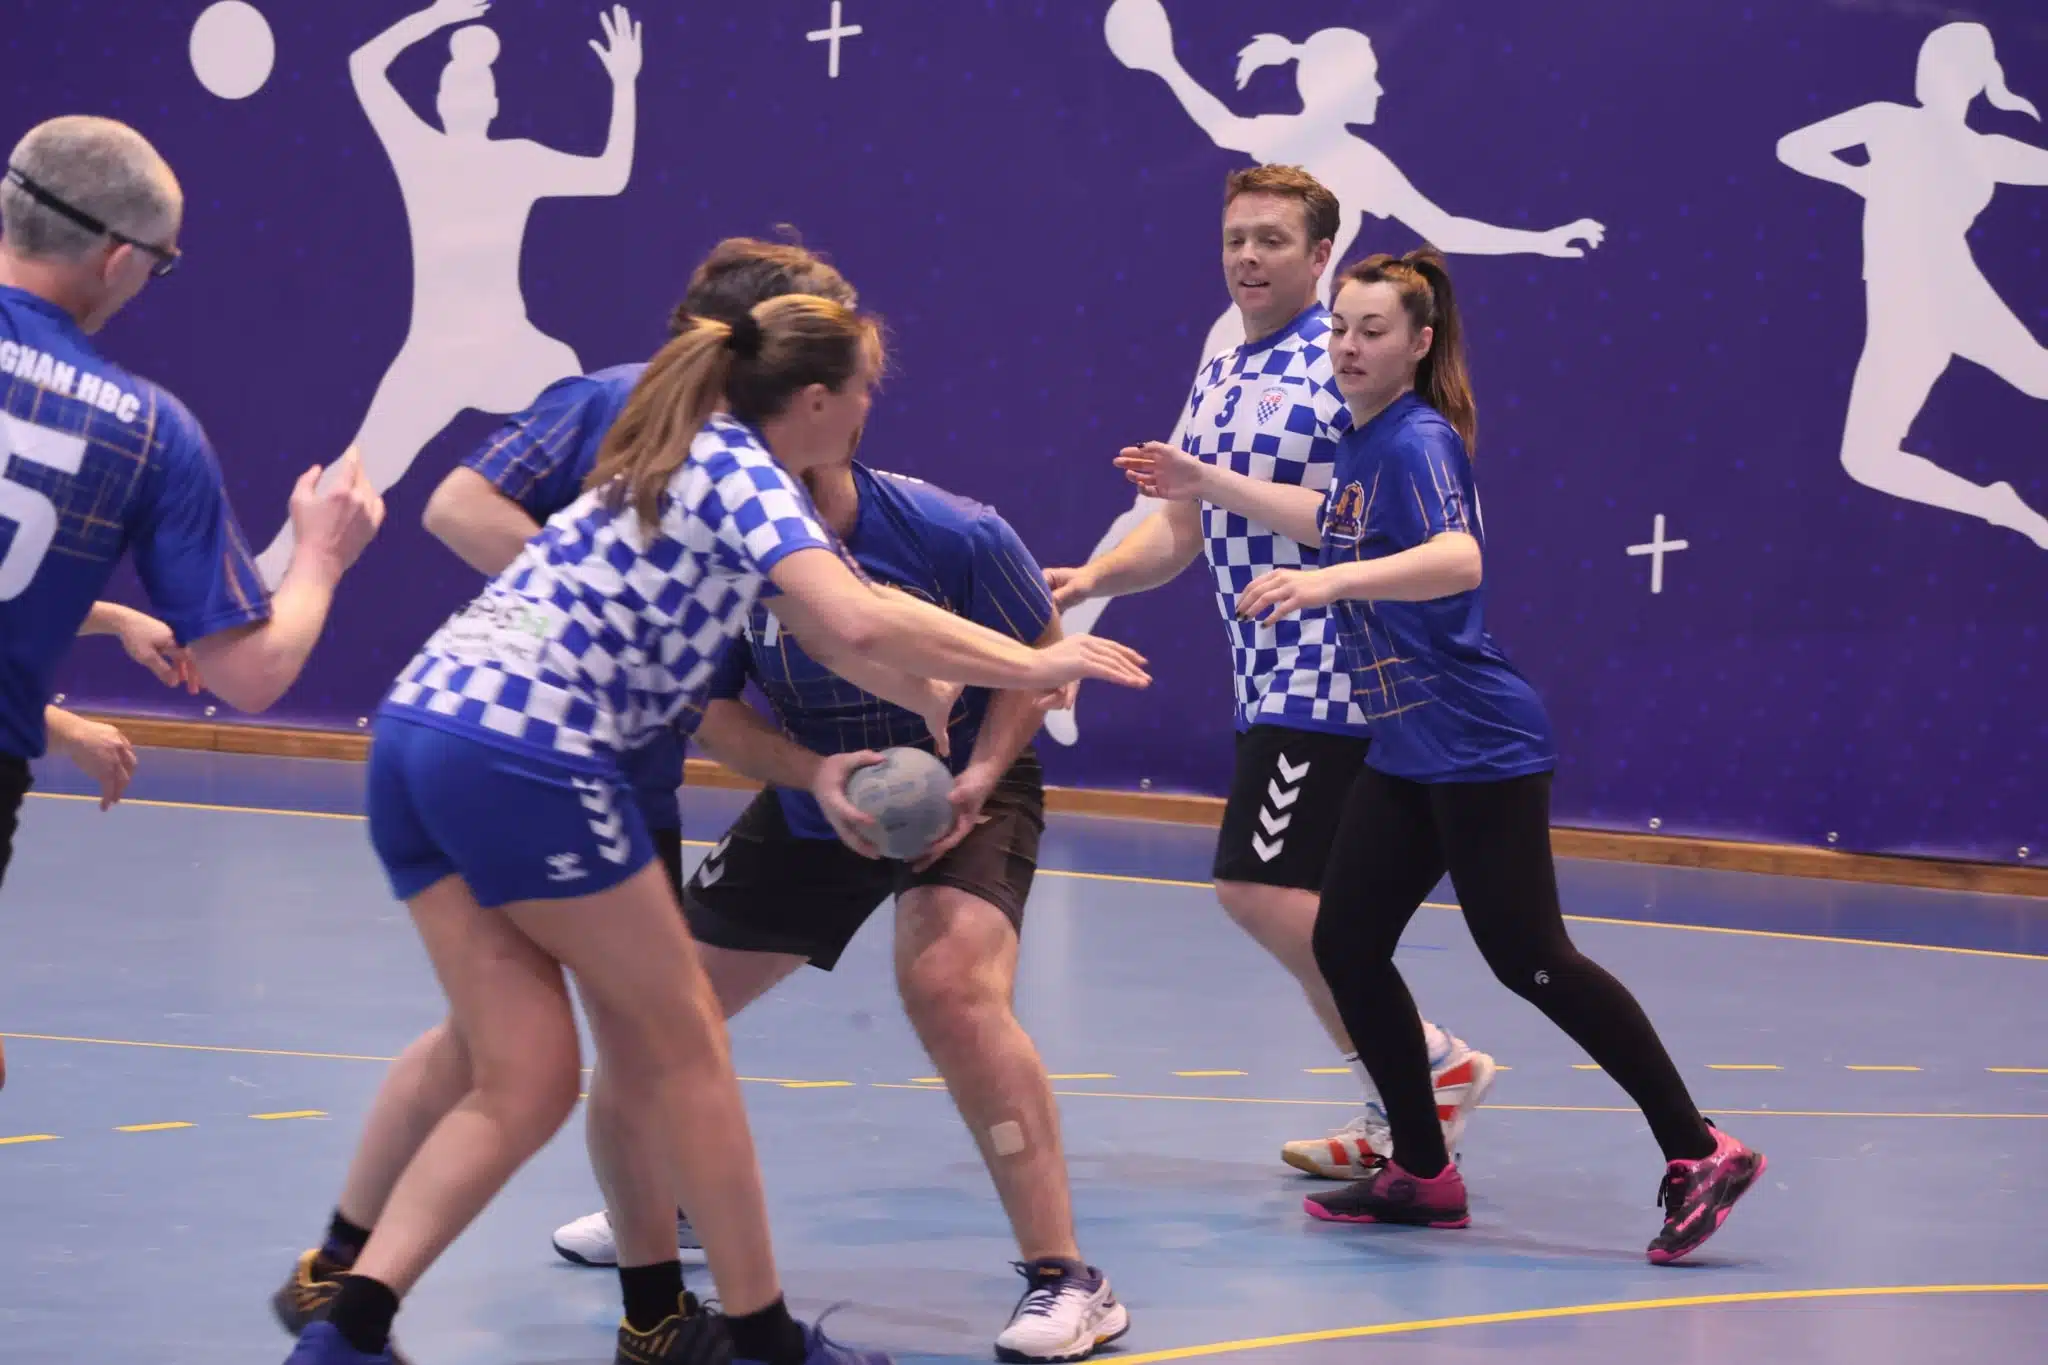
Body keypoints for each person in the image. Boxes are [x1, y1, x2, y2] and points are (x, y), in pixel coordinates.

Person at [276, 295, 1150, 1365]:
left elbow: (846, 637)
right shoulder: (748, 477)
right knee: (674, 1042)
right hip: (540, 751)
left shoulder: (662, 447)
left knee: (528, 1070)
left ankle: (352, 1318)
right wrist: (1037, 660)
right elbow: (858, 616)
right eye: (863, 387)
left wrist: (942, 714)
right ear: (815, 398)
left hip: (423, 730)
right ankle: (754, 1339)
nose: (872, 406)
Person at [1123, 246, 1765, 1262]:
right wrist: (1206, 483)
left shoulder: (1417, 439)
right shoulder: (1361, 437)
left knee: (1533, 962)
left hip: (1477, 742)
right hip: (1408, 745)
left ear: (1419, 343)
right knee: (1346, 944)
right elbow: (1327, 519)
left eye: (1371, 331)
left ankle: (1699, 1148)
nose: (1347, 346)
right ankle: (1421, 1172)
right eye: (1340, 329)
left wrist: (1327, 584)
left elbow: (1457, 557)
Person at [549, 454, 1129, 1363]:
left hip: (967, 787)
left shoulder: (955, 532)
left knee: (950, 988)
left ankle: (1068, 1277)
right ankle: (673, 1208)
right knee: (660, 1006)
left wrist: (977, 776)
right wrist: (813, 776)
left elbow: (1036, 659)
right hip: (820, 786)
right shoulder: (725, 548)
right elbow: (711, 710)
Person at [1045, 165, 1493, 1181]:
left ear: (1319, 256)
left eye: (1272, 240)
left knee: (1259, 888)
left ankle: (1429, 1067)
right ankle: (1401, 1103)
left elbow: (1365, 519)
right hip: (1265, 669)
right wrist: (1090, 582)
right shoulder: (1220, 370)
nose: (1247, 256)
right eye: (1234, 238)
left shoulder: (1341, 367)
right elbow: (1180, 527)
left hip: (1338, 665)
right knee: (1314, 912)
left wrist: (1216, 483)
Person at [0, 116, 382, 1087]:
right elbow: (251, 674)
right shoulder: (145, 432)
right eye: (161, 263)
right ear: (117, 259)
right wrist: (322, 555)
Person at [253, 0, 645, 585]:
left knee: (580, 401)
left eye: (475, 89)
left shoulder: (515, 160)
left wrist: (623, 83)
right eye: (452, 88)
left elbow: (609, 174)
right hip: (434, 357)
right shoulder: (420, 150)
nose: (463, 97)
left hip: (513, 349)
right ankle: (259, 579)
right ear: (438, 101)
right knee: (362, 465)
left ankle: (612, 564)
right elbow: (365, 65)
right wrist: (437, 14)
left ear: (492, 104)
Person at [1775, 19, 2048, 549]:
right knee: (1865, 459)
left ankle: (1999, 506)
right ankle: (1998, 506)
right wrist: (1858, 178)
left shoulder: (1986, 149)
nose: (1929, 73)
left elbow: (1796, 148)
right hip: (1898, 304)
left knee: (2038, 379)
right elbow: (1794, 147)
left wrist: (1862, 180)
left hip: (1944, 285)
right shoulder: (1888, 120)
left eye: (1941, 64)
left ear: (1969, 78)